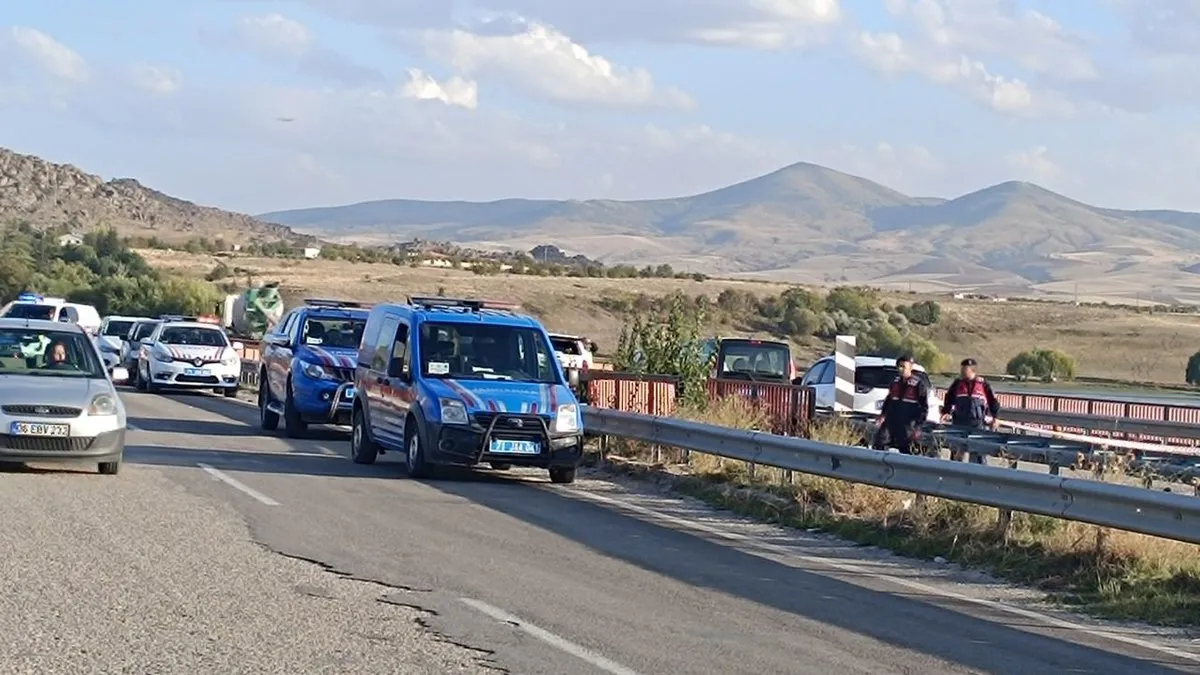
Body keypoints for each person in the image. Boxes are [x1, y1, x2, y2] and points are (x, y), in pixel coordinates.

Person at [873, 355, 930, 455]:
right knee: (880, 442)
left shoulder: (918, 384)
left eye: (903, 366)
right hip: (891, 421)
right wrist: (883, 415)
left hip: (907, 424)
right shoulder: (895, 382)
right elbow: (889, 399)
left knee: (906, 449)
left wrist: (918, 426)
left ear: (910, 367)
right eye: (899, 366)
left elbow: (924, 407)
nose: (900, 369)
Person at [941, 358, 1000, 430]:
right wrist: (945, 412)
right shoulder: (957, 383)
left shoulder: (983, 384)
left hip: (977, 424)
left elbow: (993, 401)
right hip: (959, 423)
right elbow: (949, 398)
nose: (961, 372)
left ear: (973, 370)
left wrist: (995, 417)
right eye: (961, 369)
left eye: (964, 369)